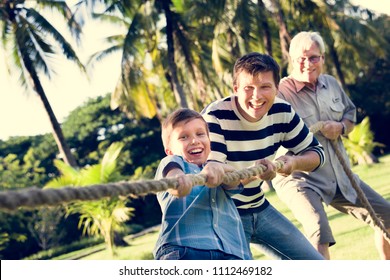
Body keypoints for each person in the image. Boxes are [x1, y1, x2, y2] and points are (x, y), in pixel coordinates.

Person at [275, 31, 390, 259]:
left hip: (339, 175)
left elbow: (350, 114)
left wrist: (341, 128)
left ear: (323, 58)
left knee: (386, 218)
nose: (308, 64)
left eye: (314, 57)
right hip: (300, 179)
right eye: (301, 58)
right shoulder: (280, 92)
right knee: (318, 231)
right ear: (292, 60)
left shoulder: (331, 84)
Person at [201, 52, 325, 260]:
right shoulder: (215, 117)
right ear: (236, 89)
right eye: (248, 88)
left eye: (265, 87)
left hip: (259, 206)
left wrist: (293, 163)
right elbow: (218, 178)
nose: (256, 96)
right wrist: (256, 174)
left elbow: (317, 155)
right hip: (223, 215)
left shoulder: (282, 111)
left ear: (277, 89)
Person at [153, 108, 252, 260]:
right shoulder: (173, 162)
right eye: (183, 137)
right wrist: (180, 181)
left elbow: (234, 180)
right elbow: (174, 182)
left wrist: (219, 167)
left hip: (233, 252)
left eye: (200, 134)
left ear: (209, 141)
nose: (194, 140)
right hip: (185, 250)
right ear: (170, 150)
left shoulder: (217, 170)